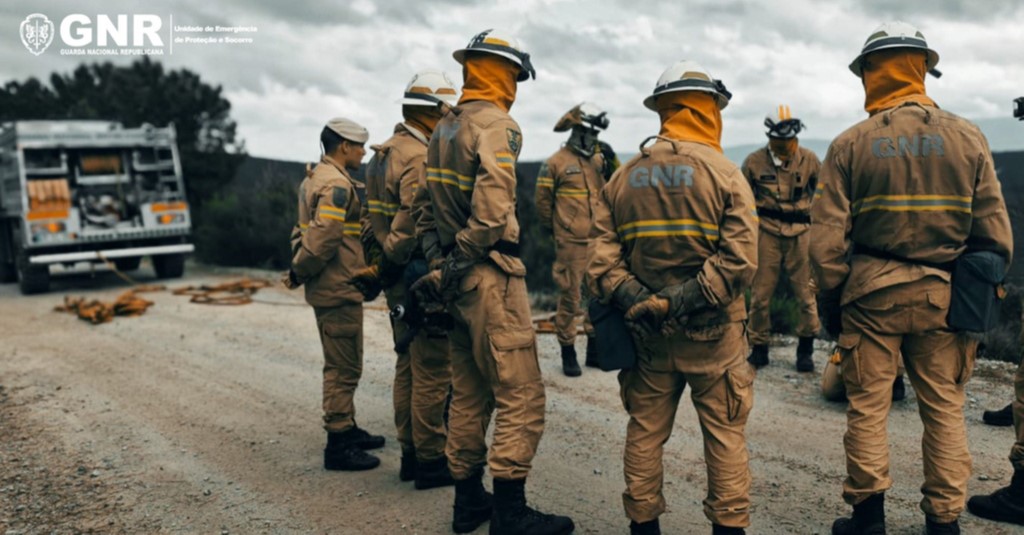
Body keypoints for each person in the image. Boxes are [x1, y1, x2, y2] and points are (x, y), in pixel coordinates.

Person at [810, 21, 1012, 534]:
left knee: (867, 409)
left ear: (871, 72)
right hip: (945, 296)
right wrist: (973, 299)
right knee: (944, 408)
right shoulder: (968, 136)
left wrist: (832, 304)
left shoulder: (849, 144)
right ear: (922, 68)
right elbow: (995, 237)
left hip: (870, 297)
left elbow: (825, 247)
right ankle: (943, 522)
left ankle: (867, 519)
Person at [412, 29, 575, 535]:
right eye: (516, 76)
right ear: (504, 74)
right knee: (520, 394)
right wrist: (460, 261)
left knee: (468, 392)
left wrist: (440, 264)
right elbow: (490, 214)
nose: (516, 86)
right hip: (490, 278)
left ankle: (468, 502)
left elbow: (423, 210)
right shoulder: (498, 125)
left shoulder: (443, 127)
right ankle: (510, 511)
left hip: (455, 280)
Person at [587, 59, 758, 535]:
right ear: (709, 109)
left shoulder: (624, 177)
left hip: (646, 335)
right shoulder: (726, 174)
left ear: (663, 109)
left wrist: (643, 301)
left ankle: (643, 526)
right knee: (724, 436)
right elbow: (740, 262)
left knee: (645, 431)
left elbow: (600, 263)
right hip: (714, 334)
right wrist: (677, 302)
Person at [353, 70, 458, 488]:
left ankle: (411, 455)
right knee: (433, 368)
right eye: (447, 110)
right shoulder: (419, 157)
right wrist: (387, 265)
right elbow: (412, 225)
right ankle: (431, 461)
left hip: (397, 277)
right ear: (434, 111)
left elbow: (368, 219)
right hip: (416, 273)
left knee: (408, 363)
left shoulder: (382, 154)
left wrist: (379, 266)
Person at [285, 118, 387, 471]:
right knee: (343, 368)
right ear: (344, 146)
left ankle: (348, 426)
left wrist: (299, 268)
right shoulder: (336, 185)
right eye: (359, 146)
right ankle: (339, 442)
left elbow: (302, 232)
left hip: (329, 285)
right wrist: (299, 271)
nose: (363, 152)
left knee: (344, 362)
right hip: (338, 286)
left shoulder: (315, 177)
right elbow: (323, 239)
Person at [742, 105, 821, 372]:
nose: (787, 146)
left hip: (801, 233)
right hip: (767, 232)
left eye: (791, 140)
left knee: (806, 294)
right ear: (770, 137)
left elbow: (824, 195)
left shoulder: (810, 160)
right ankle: (759, 347)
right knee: (761, 295)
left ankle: (805, 350)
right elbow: (742, 202)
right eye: (781, 141)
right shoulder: (754, 163)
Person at [536, 102, 609, 376]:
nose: (593, 139)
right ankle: (568, 351)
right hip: (570, 243)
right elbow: (543, 205)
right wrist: (560, 230)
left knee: (597, 295)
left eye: (596, 134)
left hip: (597, 240)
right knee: (571, 297)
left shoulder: (598, 162)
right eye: (590, 133)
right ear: (578, 131)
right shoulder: (554, 163)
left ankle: (593, 351)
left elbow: (606, 194)